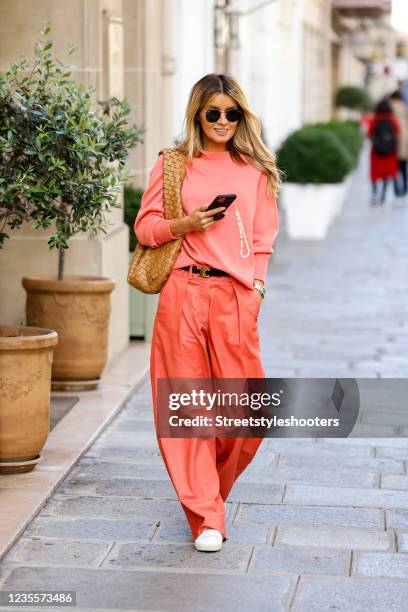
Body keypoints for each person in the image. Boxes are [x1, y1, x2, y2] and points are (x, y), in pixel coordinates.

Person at [134, 73, 280, 552]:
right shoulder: (175, 164)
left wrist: (255, 289)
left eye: (231, 113)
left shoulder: (255, 169)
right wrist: (186, 223)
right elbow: (147, 228)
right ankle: (206, 516)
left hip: (235, 298)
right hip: (183, 291)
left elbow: (262, 240)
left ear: (242, 115)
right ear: (198, 114)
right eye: (212, 112)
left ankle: (209, 492)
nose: (222, 121)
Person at [368, 98, 401, 205]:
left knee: (375, 173)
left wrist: (377, 141)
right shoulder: (392, 120)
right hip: (390, 152)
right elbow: (398, 132)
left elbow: (369, 133)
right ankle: (383, 196)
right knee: (387, 174)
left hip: (376, 151)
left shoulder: (375, 120)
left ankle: (374, 194)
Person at [390, 90, 408, 199]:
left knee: (394, 169)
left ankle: (397, 190)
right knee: (404, 168)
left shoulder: (390, 108)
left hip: (393, 141)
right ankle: (405, 189)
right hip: (405, 140)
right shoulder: (405, 108)